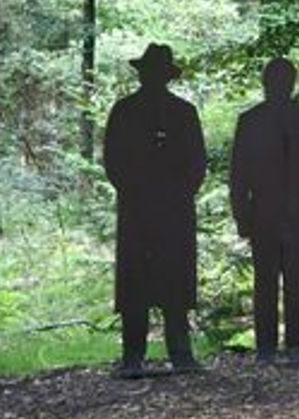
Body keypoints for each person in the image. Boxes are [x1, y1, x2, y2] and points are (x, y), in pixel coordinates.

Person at [103, 43, 207, 378]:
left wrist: (177, 193)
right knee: (136, 282)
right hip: (139, 208)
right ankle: (133, 356)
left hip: (172, 210)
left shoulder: (183, 112)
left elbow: (197, 163)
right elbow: (112, 161)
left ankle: (180, 353)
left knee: (174, 282)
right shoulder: (124, 111)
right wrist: (136, 190)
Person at [230, 57, 299, 364]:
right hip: (268, 211)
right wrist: (242, 215)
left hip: (287, 210)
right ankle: (270, 347)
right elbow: (239, 175)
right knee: (269, 282)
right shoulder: (255, 121)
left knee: (290, 281)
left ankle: (288, 346)